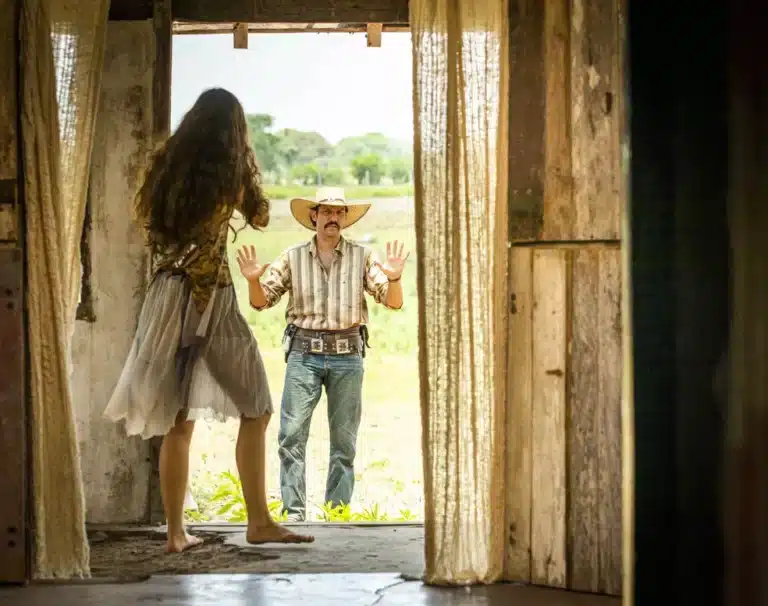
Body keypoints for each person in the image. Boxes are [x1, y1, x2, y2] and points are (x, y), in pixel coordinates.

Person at [103, 88, 314, 552]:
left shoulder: (165, 172)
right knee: (256, 408)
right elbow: (259, 216)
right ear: (233, 132)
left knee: (178, 421)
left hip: (165, 295)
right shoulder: (230, 174)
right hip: (208, 298)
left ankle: (175, 534)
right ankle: (258, 521)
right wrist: (248, 165)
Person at [236, 186, 408, 521]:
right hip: (304, 354)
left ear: (345, 218)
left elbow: (393, 301)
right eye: (326, 211)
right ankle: (294, 513)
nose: (333, 218)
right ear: (313, 216)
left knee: (344, 443)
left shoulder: (362, 257)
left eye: (339, 212)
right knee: (291, 436)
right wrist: (253, 280)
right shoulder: (293, 257)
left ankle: (338, 514)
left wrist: (395, 277)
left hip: (348, 355)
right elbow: (261, 301)